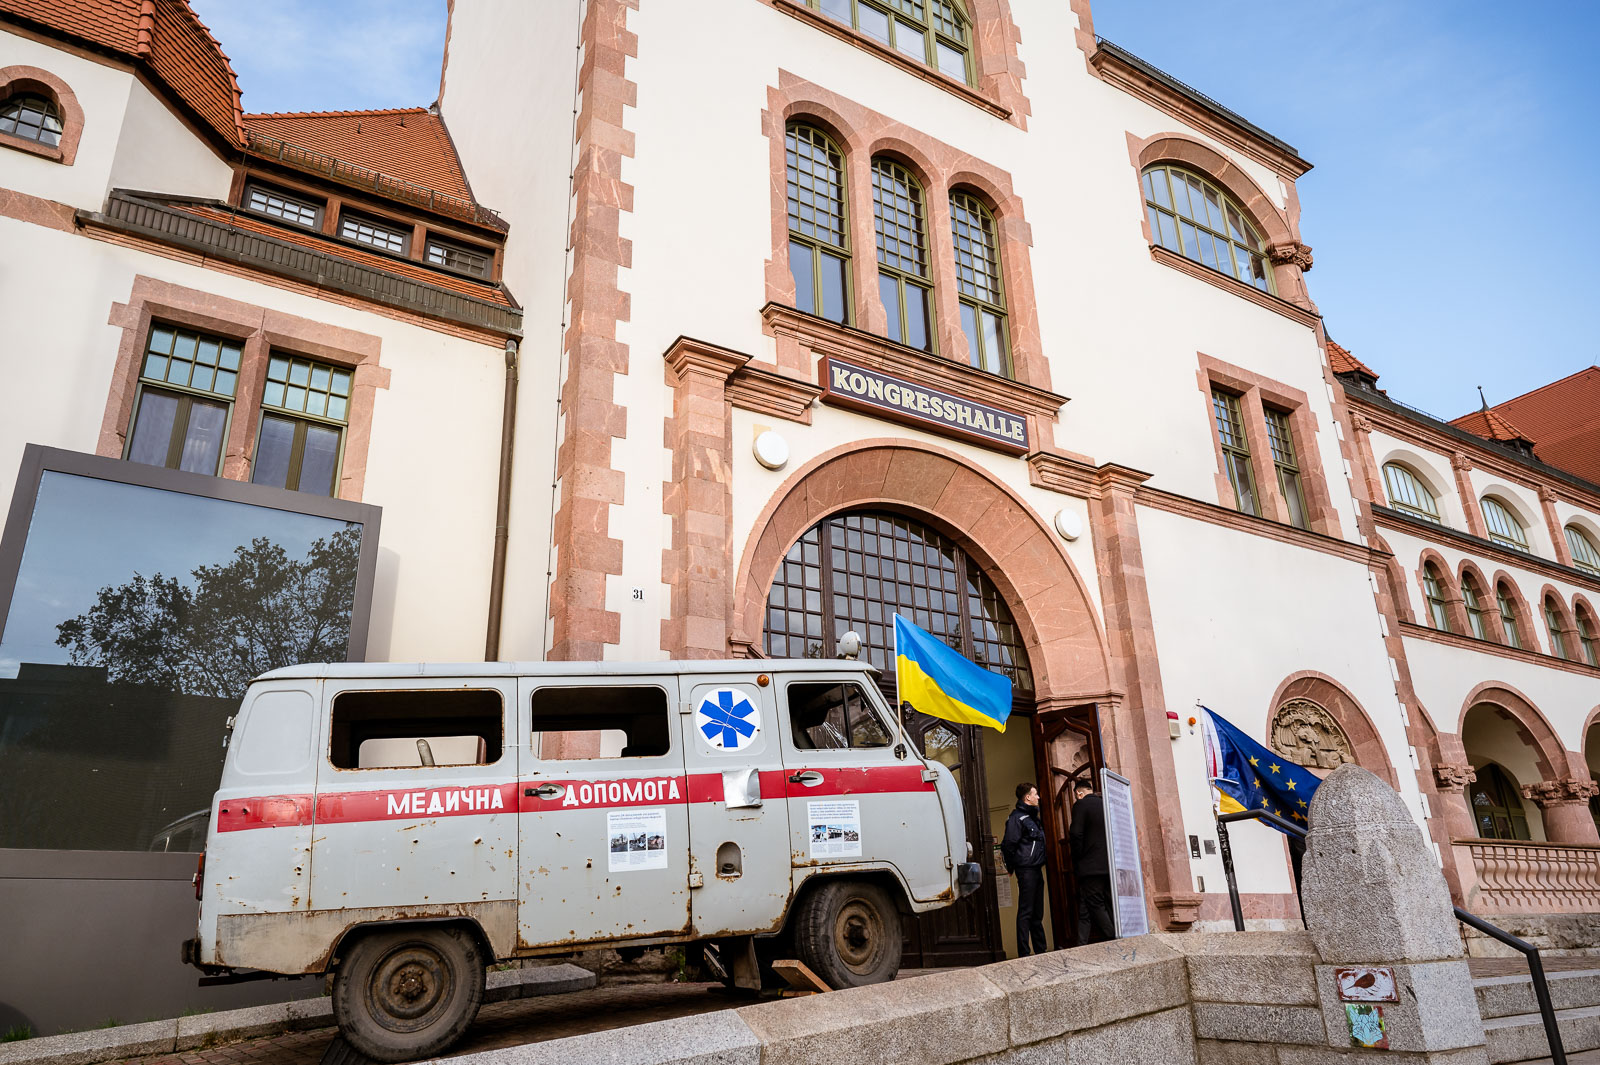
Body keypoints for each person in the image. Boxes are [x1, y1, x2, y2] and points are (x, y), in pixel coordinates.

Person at [1000, 781, 1049, 957]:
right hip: (1026, 870)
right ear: (1027, 797)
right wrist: (1013, 866)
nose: (1038, 797)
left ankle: (1041, 950)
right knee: (1026, 912)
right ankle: (1024, 953)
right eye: (1035, 794)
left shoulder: (1033, 818)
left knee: (1037, 913)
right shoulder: (1017, 818)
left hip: (1036, 870)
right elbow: (1008, 845)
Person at [1068, 778, 1115, 944]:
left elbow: (1076, 833)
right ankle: (1082, 942)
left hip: (1090, 865)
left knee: (1095, 902)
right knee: (1107, 902)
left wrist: (1078, 856)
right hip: (1110, 863)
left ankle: (1113, 936)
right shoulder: (1107, 804)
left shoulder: (1081, 805)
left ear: (1079, 794)